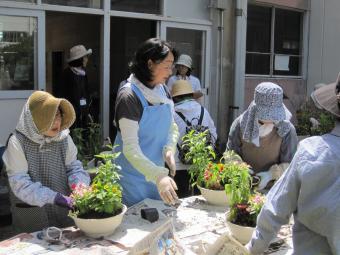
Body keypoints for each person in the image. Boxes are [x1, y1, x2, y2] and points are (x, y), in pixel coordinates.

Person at [246, 76, 340, 255]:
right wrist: (240, 166)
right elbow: (231, 150)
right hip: (253, 186)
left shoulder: (298, 139)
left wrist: (272, 173)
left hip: (274, 188)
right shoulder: (242, 124)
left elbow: (276, 207)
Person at [2, 91, 90, 233]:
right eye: (50, 117)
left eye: (58, 115)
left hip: (63, 209)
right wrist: (55, 197)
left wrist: (79, 186)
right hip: (32, 212)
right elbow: (20, 184)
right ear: (35, 118)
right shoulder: (17, 141)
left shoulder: (64, 138)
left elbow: (74, 168)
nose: (57, 122)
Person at [113, 38, 180, 207]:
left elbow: (171, 126)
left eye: (171, 65)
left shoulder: (162, 90)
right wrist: (158, 175)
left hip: (157, 174)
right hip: (131, 179)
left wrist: (169, 149)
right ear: (150, 64)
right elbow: (130, 149)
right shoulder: (129, 96)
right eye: (166, 65)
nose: (170, 71)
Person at [226, 82, 298, 190]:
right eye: (266, 116)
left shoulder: (287, 130)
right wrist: (240, 168)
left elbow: (291, 165)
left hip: (274, 190)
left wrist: (270, 175)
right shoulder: (240, 125)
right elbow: (230, 155)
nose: (270, 120)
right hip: (242, 186)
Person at [171, 80, 217, 197]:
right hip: (201, 164)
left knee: (180, 200)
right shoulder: (203, 111)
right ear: (191, 95)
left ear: (175, 98)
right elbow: (213, 135)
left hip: (178, 165)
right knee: (200, 199)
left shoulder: (171, 113)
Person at [57, 44, 92, 128]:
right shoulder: (67, 74)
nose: (87, 60)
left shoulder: (83, 73)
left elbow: (85, 93)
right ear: (80, 59)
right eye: (85, 57)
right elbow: (63, 95)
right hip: (71, 115)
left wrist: (87, 111)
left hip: (83, 114)